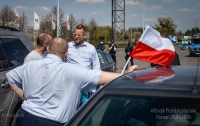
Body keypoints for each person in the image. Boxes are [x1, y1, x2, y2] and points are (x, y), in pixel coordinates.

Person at [6, 37, 138, 126]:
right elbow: (102, 77)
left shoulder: (30, 65)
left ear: (48, 49)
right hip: (52, 122)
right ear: (67, 53)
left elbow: (10, 76)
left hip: (24, 117)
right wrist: (128, 73)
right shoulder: (73, 71)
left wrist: (22, 95)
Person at [66, 24, 100, 106]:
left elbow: (96, 67)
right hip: (72, 85)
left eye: (79, 35)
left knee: (86, 110)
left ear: (84, 35)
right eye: (75, 34)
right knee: (71, 109)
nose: (76, 37)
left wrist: (97, 84)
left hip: (86, 85)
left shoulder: (91, 48)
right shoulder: (67, 47)